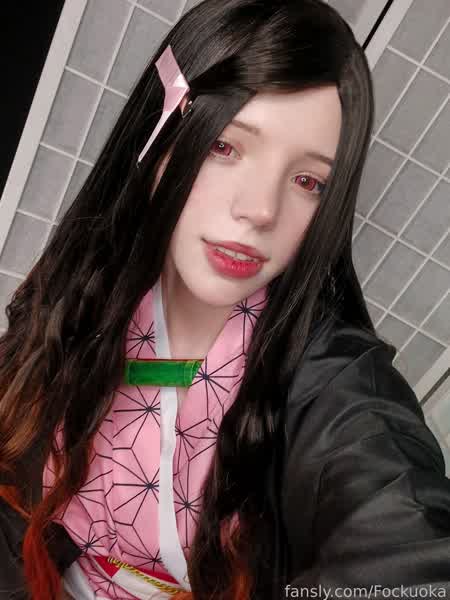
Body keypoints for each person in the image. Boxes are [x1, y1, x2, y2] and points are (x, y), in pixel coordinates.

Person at [0, 0, 449, 598]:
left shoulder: (333, 385)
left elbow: (407, 546)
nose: (261, 209)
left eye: (308, 181)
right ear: (159, 137)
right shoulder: (79, 287)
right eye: (225, 147)